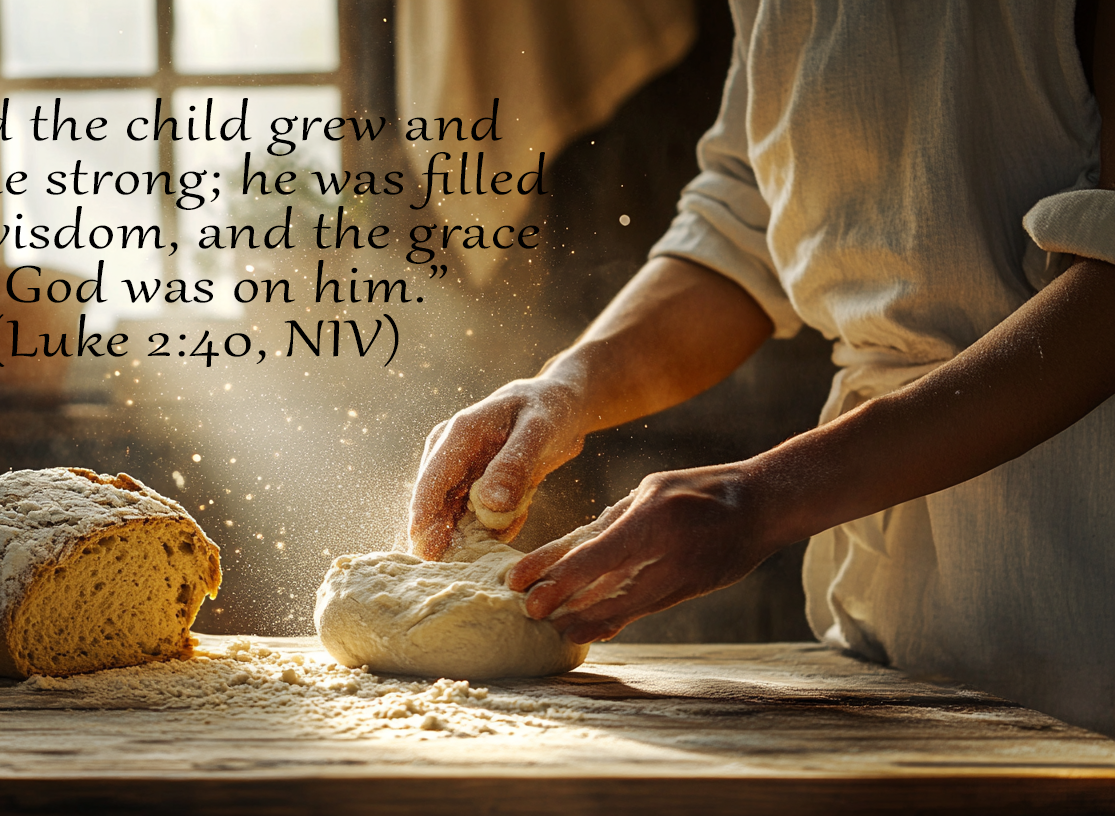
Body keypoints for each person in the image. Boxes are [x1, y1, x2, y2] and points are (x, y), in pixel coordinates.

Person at [410, 0, 1115, 735]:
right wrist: (568, 385)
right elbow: (745, 225)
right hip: (896, 603)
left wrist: (764, 498)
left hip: (1083, 555)